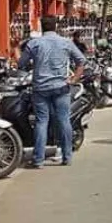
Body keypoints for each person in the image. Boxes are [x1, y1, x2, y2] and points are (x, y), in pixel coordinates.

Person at [18, 16, 86, 168]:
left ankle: (38, 160)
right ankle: (67, 157)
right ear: (55, 26)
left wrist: (20, 53)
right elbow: (81, 61)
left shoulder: (34, 43)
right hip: (61, 87)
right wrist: (74, 79)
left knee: (42, 122)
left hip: (40, 88)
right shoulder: (66, 43)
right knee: (63, 120)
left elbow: (21, 64)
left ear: (42, 27)